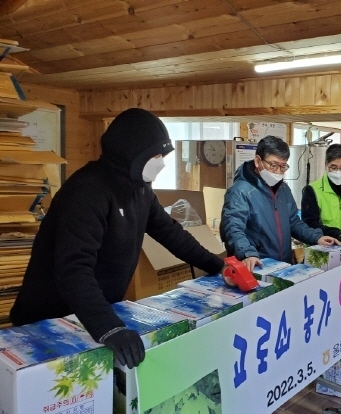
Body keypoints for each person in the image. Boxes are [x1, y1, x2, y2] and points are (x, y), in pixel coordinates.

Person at [10, 108, 224, 369]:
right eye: (156, 155)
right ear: (133, 154)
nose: (161, 162)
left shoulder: (140, 189)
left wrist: (217, 266)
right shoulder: (87, 191)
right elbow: (74, 268)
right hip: (50, 321)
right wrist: (108, 327)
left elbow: (170, 233)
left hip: (92, 314)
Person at [220, 135, 339, 271]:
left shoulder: (283, 189)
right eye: (273, 165)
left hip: (282, 266)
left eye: (283, 166)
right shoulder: (240, 191)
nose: (278, 172)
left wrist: (316, 237)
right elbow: (232, 228)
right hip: (255, 265)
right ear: (258, 161)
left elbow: (293, 222)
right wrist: (247, 253)